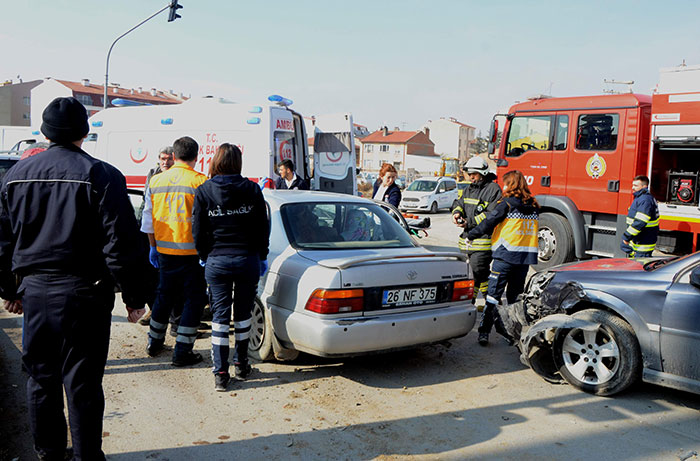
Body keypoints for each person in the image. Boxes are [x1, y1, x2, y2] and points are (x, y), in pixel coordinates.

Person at [0, 97, 148, 460]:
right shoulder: (102, 175)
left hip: (35, 291)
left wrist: (10, 289)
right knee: (82, 383)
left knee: (40, 380)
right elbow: (121, 243)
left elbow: (3, 242)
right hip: (87, 294)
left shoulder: (15, 176)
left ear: (46, 133)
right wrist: (133, 296)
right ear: (85, 132)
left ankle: (49, 454)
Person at [192, 143, 270, 391]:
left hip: (217, 261)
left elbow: (197, 230)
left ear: (216, 162)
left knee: (220, 317)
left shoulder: (204, 190)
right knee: (244, 315)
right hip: (247, 259)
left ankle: (221, 374)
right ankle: (242, 363)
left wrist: (204, 255)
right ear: (238, 163)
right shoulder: (252, 189)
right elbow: (262, 228)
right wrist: (262, 256)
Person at [141, 136, 208, 366]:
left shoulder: (157, 181)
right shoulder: (201, 182)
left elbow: (147, 219)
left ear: (175, 156)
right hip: (193, 255)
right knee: (194, 300)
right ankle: (183, 351)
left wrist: (152, 247)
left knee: (164, 296)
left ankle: (154, 342)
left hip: (164, 251)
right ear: (196, 156)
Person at [467, 170, 539, 346]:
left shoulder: (506, 204)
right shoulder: (534, 205)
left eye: (505, 183)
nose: (503, 186)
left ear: (511, 185)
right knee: (515, 299)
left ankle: (484, 332)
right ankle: (512, 334)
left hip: (505, 257)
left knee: (492, 296)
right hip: (524, 260)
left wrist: (471, 234)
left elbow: (489, 222)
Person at [452, 157, 502, 303]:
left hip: (483, 243)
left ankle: (470, 301)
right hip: (466, 243)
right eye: (469, 174)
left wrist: (469, 222)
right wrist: (457, 213)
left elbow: (490, 215)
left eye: (474, 174)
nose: (471, 177)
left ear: (483, 173)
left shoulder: (493, 190)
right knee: (481, 275)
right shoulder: (469, 189)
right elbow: (459, 203)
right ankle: (492, 304)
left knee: (474, 273)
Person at [137, 146, 175, 327]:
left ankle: (176, 318)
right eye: (162, 158)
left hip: (174, 234)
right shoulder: (152, 175)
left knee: (172, 280)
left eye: (168, 158)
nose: (165, 162)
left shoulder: (178, 176)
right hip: (155, 233)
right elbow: (147, 207)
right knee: (153, 277)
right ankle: (155, 311)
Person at [621, 175, 659, 258]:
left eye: (636, 185)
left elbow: (640, 222)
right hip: (640, 239)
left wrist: (627, 236)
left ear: (644, 186)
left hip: (643, 242)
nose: (633, 188)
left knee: (639, 267)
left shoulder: (645, 200)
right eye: (633, 185)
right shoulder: (641, 198)